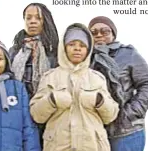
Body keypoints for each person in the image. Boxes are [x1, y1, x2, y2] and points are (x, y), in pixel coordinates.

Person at [30, 23, 119, 151]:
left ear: (88, 50)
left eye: (82, 45)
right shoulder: (49, 77)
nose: (77, 49)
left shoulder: (97, 78)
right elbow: (36, 115)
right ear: (64, 48)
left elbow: (110, 116)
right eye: (72, 44)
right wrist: (52, 100)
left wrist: (100, 101)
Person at [88, 16, 148, 151]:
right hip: (97, 131)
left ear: (113, 34)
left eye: (105, 31)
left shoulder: (128, 54)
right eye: (94, 32)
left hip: (127, 131)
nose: (99, 35)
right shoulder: (86, 59)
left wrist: (130, 113)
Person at [9, 3, 59, 147]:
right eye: (28, 18)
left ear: (46, 21)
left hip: (47, 110)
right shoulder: (15, 49)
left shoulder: (54, 50)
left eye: (38, 18)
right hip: (19, 110)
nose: (32, 21)